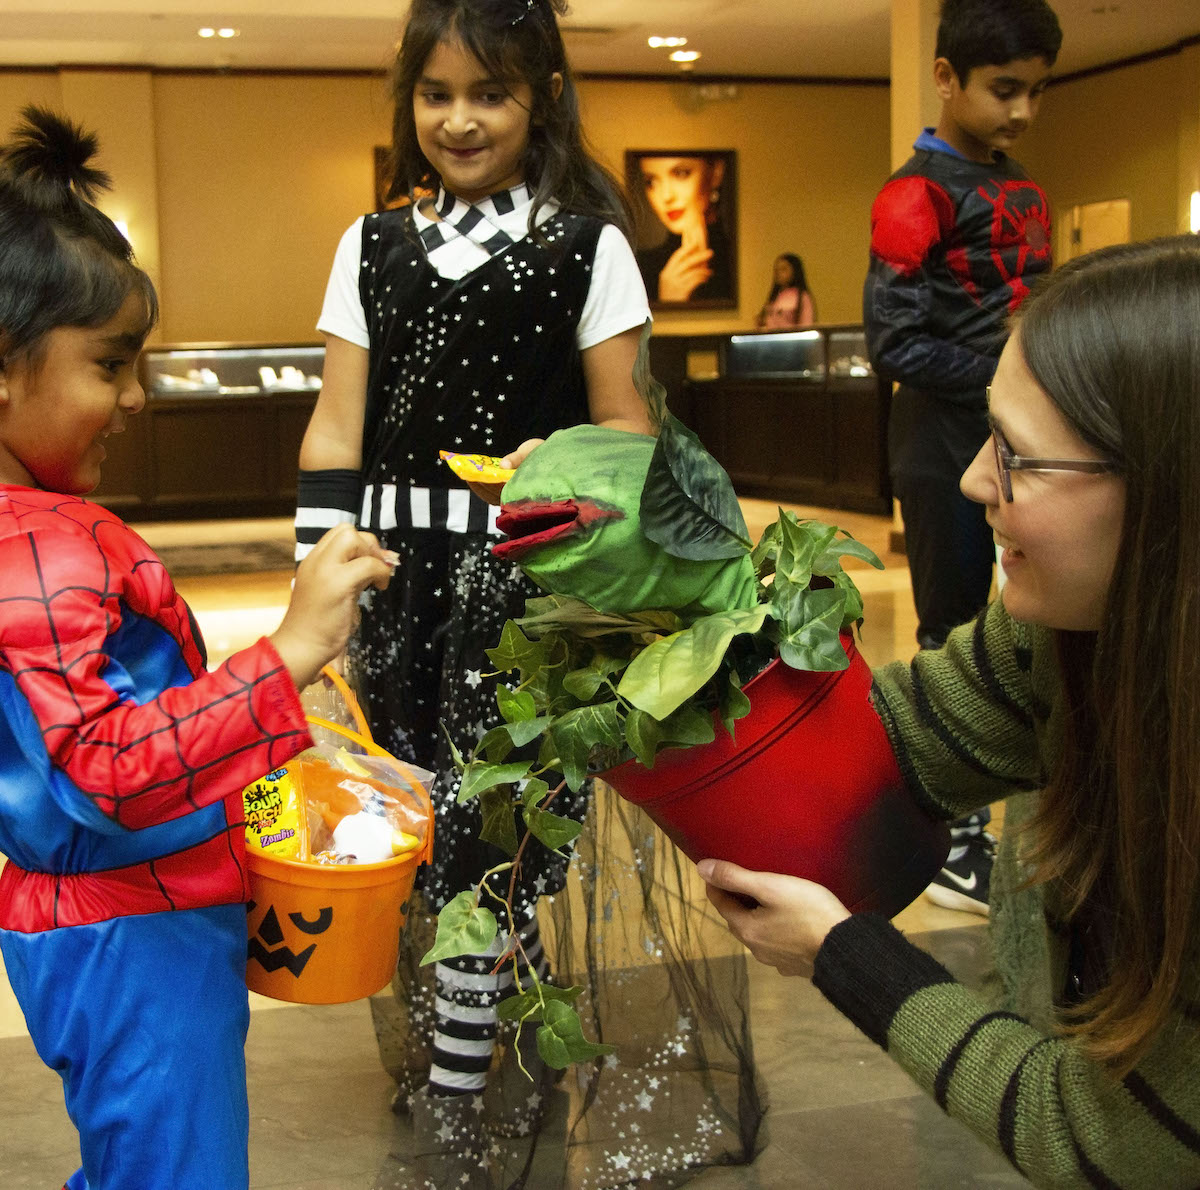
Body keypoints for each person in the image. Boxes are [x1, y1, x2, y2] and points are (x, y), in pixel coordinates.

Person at [295, 3, 761, 1187]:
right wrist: (321, 578)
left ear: (541, 96)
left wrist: (581, 512)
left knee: (487, 836)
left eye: (489, 94)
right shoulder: (370, 244)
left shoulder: (586, 244)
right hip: (399, 588)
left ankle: (460, 1087)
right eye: (437, 92)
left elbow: (626, 426)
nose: (459, 119)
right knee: (410, 822)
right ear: (409, 96)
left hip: (517, 592)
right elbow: (338, 422)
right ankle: (469, 1045)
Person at [703, 234, 1200, 1188]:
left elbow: (1105, 1141)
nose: (974, 479)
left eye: (1017, 457)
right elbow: (895, 739)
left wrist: (850, 956)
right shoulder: (1061, 634)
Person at [0, 107, 393, 1190]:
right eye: (109, 366)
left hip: (135, 919)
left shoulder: (36, 527)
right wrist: (287, 655)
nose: (133, 397)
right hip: (132, 935)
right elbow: (102, 765)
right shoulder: (31, 545)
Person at [863, 0, 1062, 915]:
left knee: (1037, 625)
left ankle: (1029, 828)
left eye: (1035, 91)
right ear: (947, 78)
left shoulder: (1016, 181)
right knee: (950, 631)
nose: (1021, 111)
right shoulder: (914, 194)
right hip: (944, 440)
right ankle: (954, 846)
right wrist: (1010, 375)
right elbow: (895, 344)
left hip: (1025, 436)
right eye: (1003, 89)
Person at [632, 154, 734, 304]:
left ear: (716, 174)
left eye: (681, 174)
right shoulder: (639, 267)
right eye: (651, 181)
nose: (666, 196)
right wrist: (668, 302)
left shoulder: (742, 261)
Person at [756, 253, 815, 328]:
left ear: (794, 271)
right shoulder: (774, 297)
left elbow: (806, 325)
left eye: (783, 269)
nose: (778, 273)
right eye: (776, 270)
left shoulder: (802, 297)